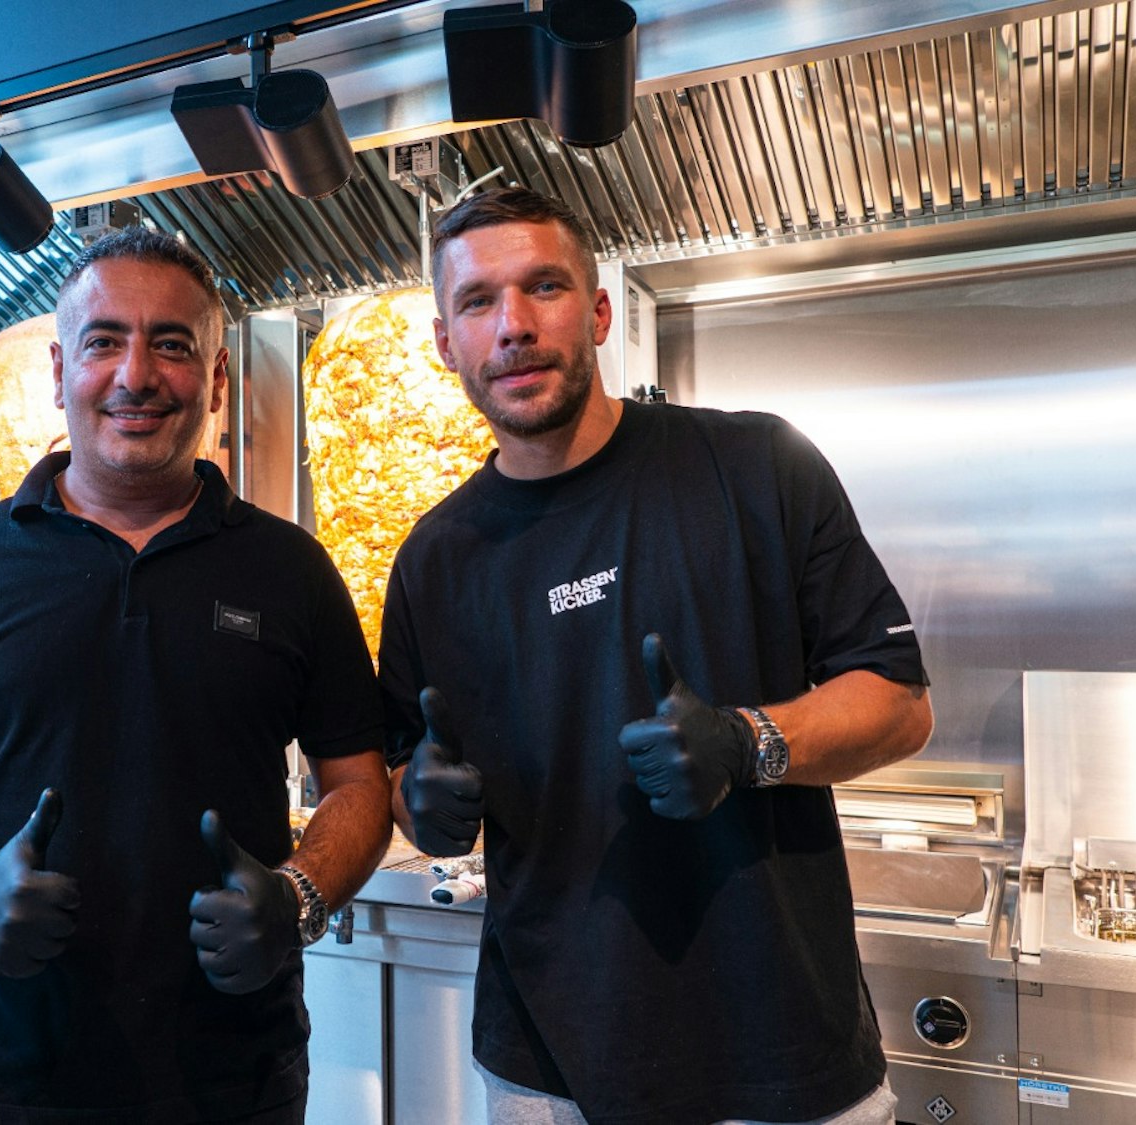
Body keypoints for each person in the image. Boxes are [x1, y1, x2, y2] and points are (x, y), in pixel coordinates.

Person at [380, 188, 934, 1125]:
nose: (512, 325)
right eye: (478, 302)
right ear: (446, 342)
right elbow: (403, 771)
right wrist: (419, 799)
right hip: (547, 1069)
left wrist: (748, 740)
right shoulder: (436, 558)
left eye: (543, 286)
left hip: (780, 1054)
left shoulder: (757, 466)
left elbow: (900, 700)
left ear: (597, 311)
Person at [0, 227, 391, 1124]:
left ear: (216, 380)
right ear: (60, 371)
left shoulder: (291, 569)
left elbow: (360, 781)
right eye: (104, 341)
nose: (136, 375)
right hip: (2, 1078)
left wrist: (299, 894)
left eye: (172, 344)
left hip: (231, 1082)